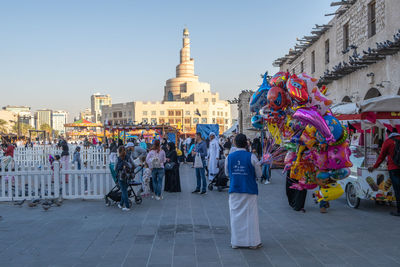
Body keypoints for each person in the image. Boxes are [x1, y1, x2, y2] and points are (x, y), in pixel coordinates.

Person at [225, 133, 262, 249]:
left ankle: (236, 242)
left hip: (235, 189)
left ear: (235, 143)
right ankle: (253, 242)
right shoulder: (252, 157)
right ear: (246, 143)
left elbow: (227, 173)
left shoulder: (229, 157)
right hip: (249, 189)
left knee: (235, 217)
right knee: (251, 217)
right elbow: (259, 174)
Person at [368, 128, 400, 216]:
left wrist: (374, 167)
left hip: (393, 168)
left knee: (397, 190)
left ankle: (399, 211)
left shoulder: (388, 141)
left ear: (388, 132)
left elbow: (381, 156)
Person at [115, 146, 131, 211]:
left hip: (121, 176)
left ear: (119, 151)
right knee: (124, 190)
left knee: (124, 191)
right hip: (128, 176)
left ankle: (127, 206)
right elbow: (133, 165)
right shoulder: (128, 157)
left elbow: (115, 168)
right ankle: (121, 204)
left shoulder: (118, 158)